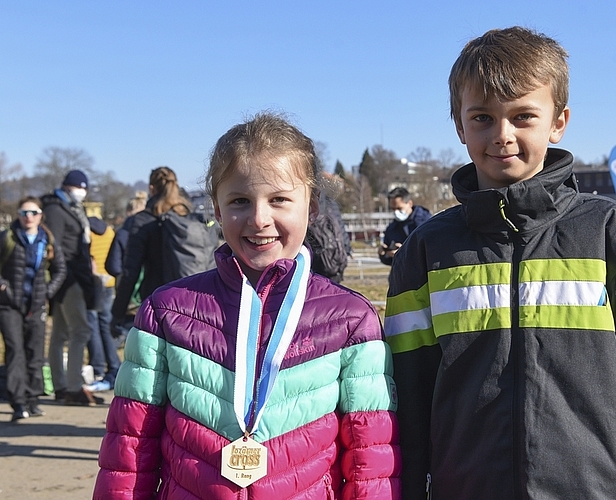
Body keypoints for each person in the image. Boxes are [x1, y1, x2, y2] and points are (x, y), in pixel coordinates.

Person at [383, 26, 616, 499]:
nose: (502, 135)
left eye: (523, 117)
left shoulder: (607, 233)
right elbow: (407, 401)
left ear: (558, 121)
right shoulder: (428, 249)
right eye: (482, 118)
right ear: (458, 123)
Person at [94, 111, 400, 499]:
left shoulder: (351, 320)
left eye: (279, 200)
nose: (259, 219)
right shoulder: (165, 313)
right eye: (240, 200)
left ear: (313, 206)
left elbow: (370, 460)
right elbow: (129, 448)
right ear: (217, 210)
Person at [0, 197, 66, 420]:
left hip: (36, 305)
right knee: (15, 351)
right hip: (9, 305)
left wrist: (47, 292)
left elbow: (60, 270)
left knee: (35, 352)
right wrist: (3, 287)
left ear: (41, 215)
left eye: (33, 212)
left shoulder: (46, 239)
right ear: (18, 215)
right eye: (24, 212)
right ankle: (18, 403)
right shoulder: (7, 237)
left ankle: (32, 398)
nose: (28, 217)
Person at [41, 170, 103, 406]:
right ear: (68, 187)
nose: (82, 192)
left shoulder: (68, 209)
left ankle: (61, 385)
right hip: (69, 278)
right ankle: (73, 387)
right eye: (80, 187)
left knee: (60, 333)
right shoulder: (56, 210)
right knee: (80, 331)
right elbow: (55, 246)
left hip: (70, 276)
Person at [109, 167, 193, 330]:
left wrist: (117, 313)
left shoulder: (143, 221)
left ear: (151, 189)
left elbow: (129, 272)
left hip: (156, 303)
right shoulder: (187, 217)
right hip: (189, 303)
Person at [104, 191, 147, 343]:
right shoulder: (152, 230)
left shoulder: (123, 233)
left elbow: (113, 265)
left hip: (127, 296)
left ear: (128, 211)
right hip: (148, 293)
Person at [84, 215, 119, 392]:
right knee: (105, 325)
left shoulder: (86, 231)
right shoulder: (109, 231)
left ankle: (97, 368)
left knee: (92, 326)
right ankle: (114, 364)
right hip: (109, 282)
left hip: (93, 282)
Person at [378, 187, 430, 266]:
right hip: (402, 275)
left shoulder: (426, 223)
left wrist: (404, 252)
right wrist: (384, 254)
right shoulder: (391, 228)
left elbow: (431, 252)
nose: (396, 212)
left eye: (399, 208)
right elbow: (390, 261)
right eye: (393, 209)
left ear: (410, 203)